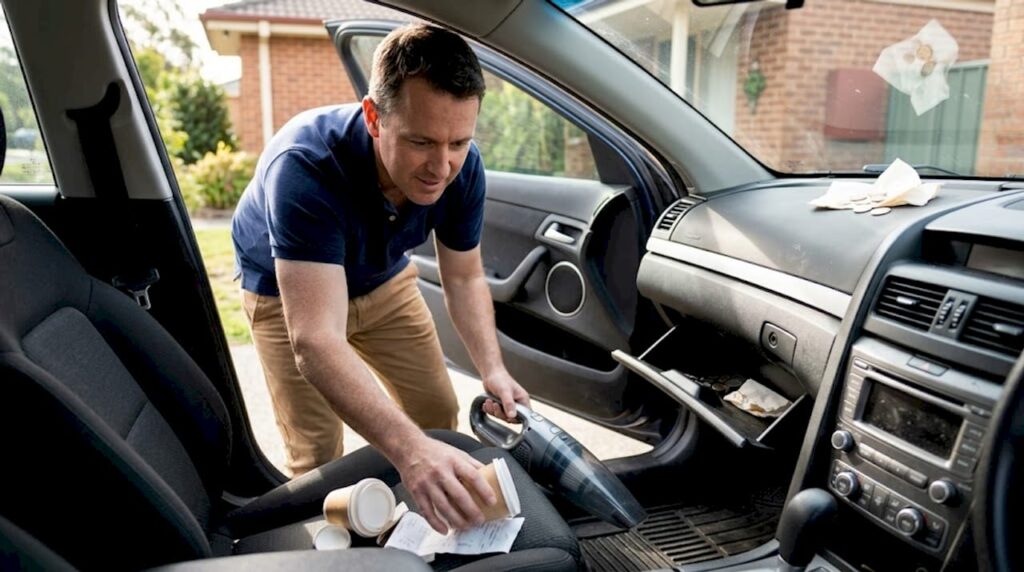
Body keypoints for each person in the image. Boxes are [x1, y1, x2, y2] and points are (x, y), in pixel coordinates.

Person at [231, 23, 530, 533]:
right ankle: (335, 548)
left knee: (435, 409)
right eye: (421, 141)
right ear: (374, 116)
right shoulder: (304, 167)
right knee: (319, 453)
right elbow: (316, 340)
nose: (442, 166)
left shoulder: (463, 168)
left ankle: (420, 522)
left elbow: (463, 279)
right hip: (288, 296)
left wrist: (493, 369)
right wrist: (410, 451)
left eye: (459, 140)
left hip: (384, 282)